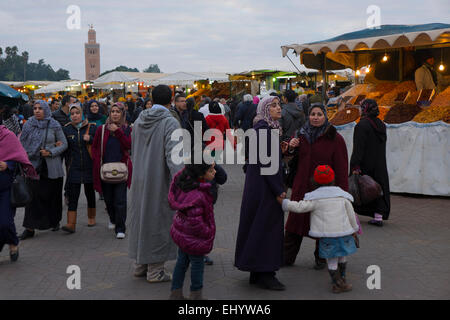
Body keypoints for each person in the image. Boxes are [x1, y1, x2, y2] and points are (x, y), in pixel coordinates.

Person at [128, 85, 183, 283]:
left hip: (140, 176)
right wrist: (181, 182)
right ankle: (155, 269)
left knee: (141, 218)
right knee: (158, 220)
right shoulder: (170, 122)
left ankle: (140, 264)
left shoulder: (139, 120)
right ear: (171, 101)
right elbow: (175, 158)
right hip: (159, 178)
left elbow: (133, 149)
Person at [284, 104, 349, 269]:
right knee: (295, 223)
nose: (315, 117)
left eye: (319, 114)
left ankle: (322, 257)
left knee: (324, 224)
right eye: (312, 114)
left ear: (325, 116)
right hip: (302, 186)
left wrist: (343, 193)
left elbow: (341, 168)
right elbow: (290, 158)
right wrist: (291, 147)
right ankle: (286, 257)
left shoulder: (335, 138)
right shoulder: (301, 135)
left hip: (325, 189)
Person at [234, 95, 287, 291]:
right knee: (267, 228)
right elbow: (269, 165)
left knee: (256, 226)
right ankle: (266, 272)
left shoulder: (263, 129)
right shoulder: (265, 131)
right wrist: (279, 190)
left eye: (279, 105)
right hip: (265, 189)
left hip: (257, 186)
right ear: (264, 109)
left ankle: (256, 271)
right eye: (273, 105)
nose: (278, 108)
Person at [281, 165, 359, 293]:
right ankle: (343, 279)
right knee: (342, 256)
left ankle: (337, 283)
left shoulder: (315, 198)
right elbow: (351, 214)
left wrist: (285, 203)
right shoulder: (342, 196)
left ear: (315, 181)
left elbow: (300, 207)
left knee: (332, 259)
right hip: (344, 233)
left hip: (328, 235)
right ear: (333, 179)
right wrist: (354, 229)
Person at [168, 161, 217, 300]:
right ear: (201, 174)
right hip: (194, 238)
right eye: (211, 170)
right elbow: (196, 222)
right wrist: (207, 232)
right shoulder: (198, 195)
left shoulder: (187, 184)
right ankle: (196, 295)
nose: (215, 172)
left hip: (183, 235)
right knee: (197, 265)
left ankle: (175, 293)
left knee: (181, 263)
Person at [19, 100, 68, 239]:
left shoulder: (54, 124)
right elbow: (22, 143)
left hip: (52, 167)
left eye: (40, 108)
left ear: (46, 110)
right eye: (35, 108)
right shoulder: (28, 124)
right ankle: (29, 228)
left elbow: (64, 144)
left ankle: (54, 221)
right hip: (34, 166)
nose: (37, 111)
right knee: (32, 198)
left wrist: (51, 151)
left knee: (53, 196)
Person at [92, 102, 132, 239]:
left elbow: (128, 145)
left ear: (122, 114)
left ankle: (120, 228)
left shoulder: (127, 129)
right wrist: (98, 161)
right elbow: (95, 147)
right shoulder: (101, 129)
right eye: (113, 111)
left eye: (118, 111)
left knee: (120, 200)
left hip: (121, 170)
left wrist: (118, 132)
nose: (115, 114)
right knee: (108, 200)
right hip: (105, 170)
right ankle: (113, 218)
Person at [350, 99, 390, 227]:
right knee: (378, 188)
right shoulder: (381, 124)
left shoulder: (362, 125)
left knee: (363, 189)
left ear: (365, 109)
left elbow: (358, 147)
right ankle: (378, 216)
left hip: (366, 163)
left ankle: (353, 215)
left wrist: (355, 165)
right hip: (380, 163)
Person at [0, 125, 37, 261]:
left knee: (5, 222)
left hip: (6, 189)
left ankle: (13, 242)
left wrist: (7, 165)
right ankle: (12, 242)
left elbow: (19, 159)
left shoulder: (8, 136)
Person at [61, 104, 97, 233]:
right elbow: (64, 147)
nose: (75, 115)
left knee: (89, 192)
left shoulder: (91, 127)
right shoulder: (67, 129)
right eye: (72, 113)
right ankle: (71, 223)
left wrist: (91, 139)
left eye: (77, 113)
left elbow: (98, 144)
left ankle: (91, 217)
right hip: (74, 167)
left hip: (89, 166)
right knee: (73, 194)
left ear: (82, 114)